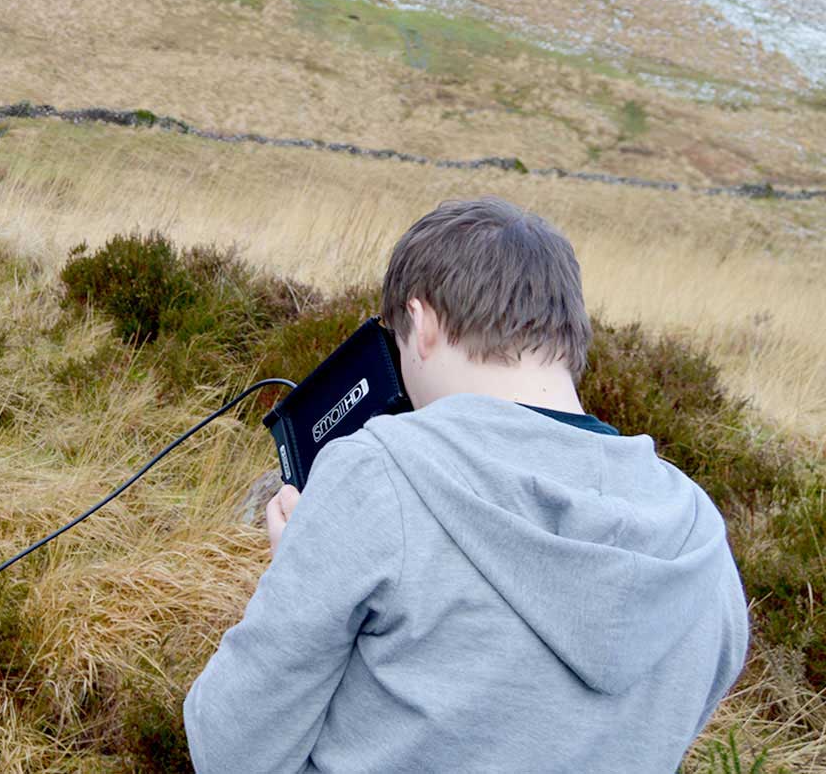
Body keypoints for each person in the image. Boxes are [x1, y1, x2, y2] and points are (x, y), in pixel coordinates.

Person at [183, 197, 749, 773]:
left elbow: (231, 751)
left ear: (421, 322)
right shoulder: (699, 540)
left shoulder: (378, 474)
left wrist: (297, 576)